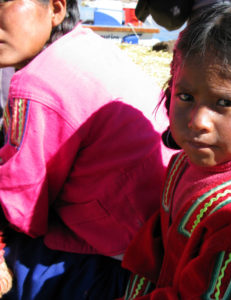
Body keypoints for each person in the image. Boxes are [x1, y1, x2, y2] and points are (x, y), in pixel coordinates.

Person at [121, 4, 231, 299]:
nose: (197, 121)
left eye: (225, 103)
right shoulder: (184, 165)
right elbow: (155, 250)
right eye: (186, 96)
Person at [0, 0, 173, 298]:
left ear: (56, 9)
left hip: (114, 258)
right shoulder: (86, 44)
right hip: (161, 229)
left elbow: (21, 212)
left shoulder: (35, 85)